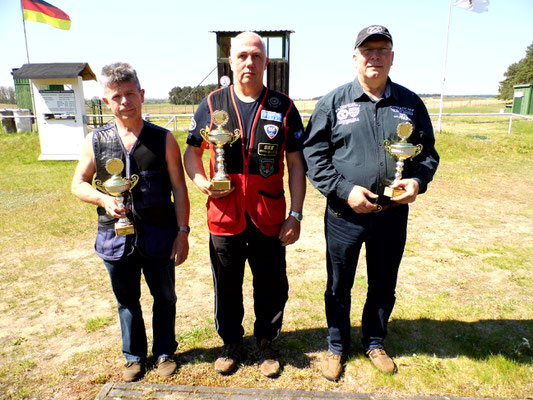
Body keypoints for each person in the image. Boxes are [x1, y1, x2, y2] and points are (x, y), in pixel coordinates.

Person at [302, 25, 439, 381]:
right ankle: (336, 345)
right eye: (367, 51)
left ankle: (375, 341)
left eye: (382, 50)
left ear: (392, 57)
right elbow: (314, 156)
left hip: (391, 214)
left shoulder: (410, 104)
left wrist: (416, 181)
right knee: (338, 283)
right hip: (344, 214)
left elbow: (427, 154)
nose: (374, 57)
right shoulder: (333, 102)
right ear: (355, 58)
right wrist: (345, 190)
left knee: (383, 282)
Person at [183, 31, 306, 378]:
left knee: (270, 282)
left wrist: (295, 214)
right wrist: (203, 183)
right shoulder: (211, 105)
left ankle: (266, 341)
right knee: (227, 283)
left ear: (266, 63)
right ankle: (231, 343)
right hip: (225, 215)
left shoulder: (284, 107)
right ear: (230, 61)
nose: (249, 62)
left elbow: (297, 165)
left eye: (256, 56)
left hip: (269, 215)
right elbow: (191, 154)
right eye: (242, 56)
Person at [71, 62, 190, 382]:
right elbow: (78, 183)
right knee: (127, 301)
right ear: (107, 101)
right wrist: (103, 199)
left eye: (130, 93)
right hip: (115, 237)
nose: (125, 101)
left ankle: (165, 351)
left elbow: (179, 187)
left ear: (142, 95)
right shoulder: (94, 141)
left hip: (160, 235)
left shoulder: (163, 139)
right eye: (117, 95)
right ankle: (134, 356)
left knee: (164, 297)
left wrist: (182, 232)